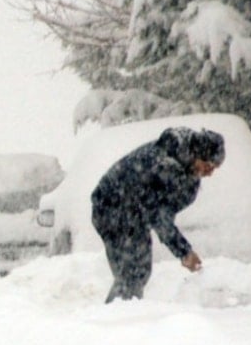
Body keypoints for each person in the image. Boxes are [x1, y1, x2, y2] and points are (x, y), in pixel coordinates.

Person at [91, 126, 224, 303]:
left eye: (215, 168)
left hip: (135, 213)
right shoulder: (163, 164)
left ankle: (123, 315)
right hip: (111, 208)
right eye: (208, 165)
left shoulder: (187, 170)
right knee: (131, 274)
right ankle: (114, 321)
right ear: (197, 155)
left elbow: (165, 212)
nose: (210, 173)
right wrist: (184, 252)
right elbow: (160, 218)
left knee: (140, 271)